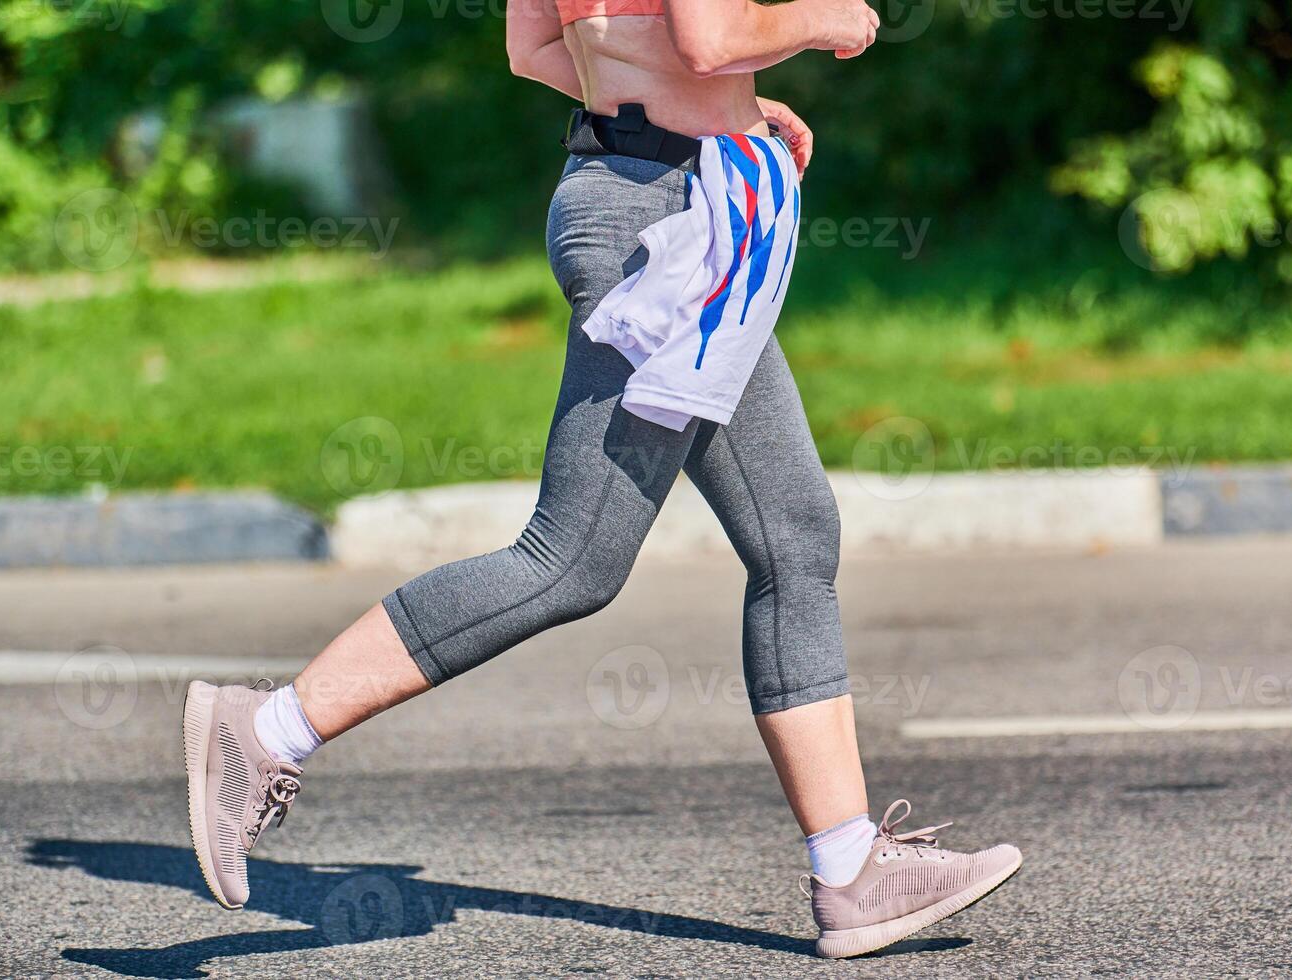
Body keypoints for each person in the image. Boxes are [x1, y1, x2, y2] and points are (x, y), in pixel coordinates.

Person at [182, 0, 1022, 958]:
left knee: (793, 533)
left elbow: (534, 46)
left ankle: (851, 872)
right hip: (662, 222)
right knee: (570, 558)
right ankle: (270, 729)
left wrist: (712, 104)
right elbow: (708, 37)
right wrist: (818, 20)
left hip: (633, 189)